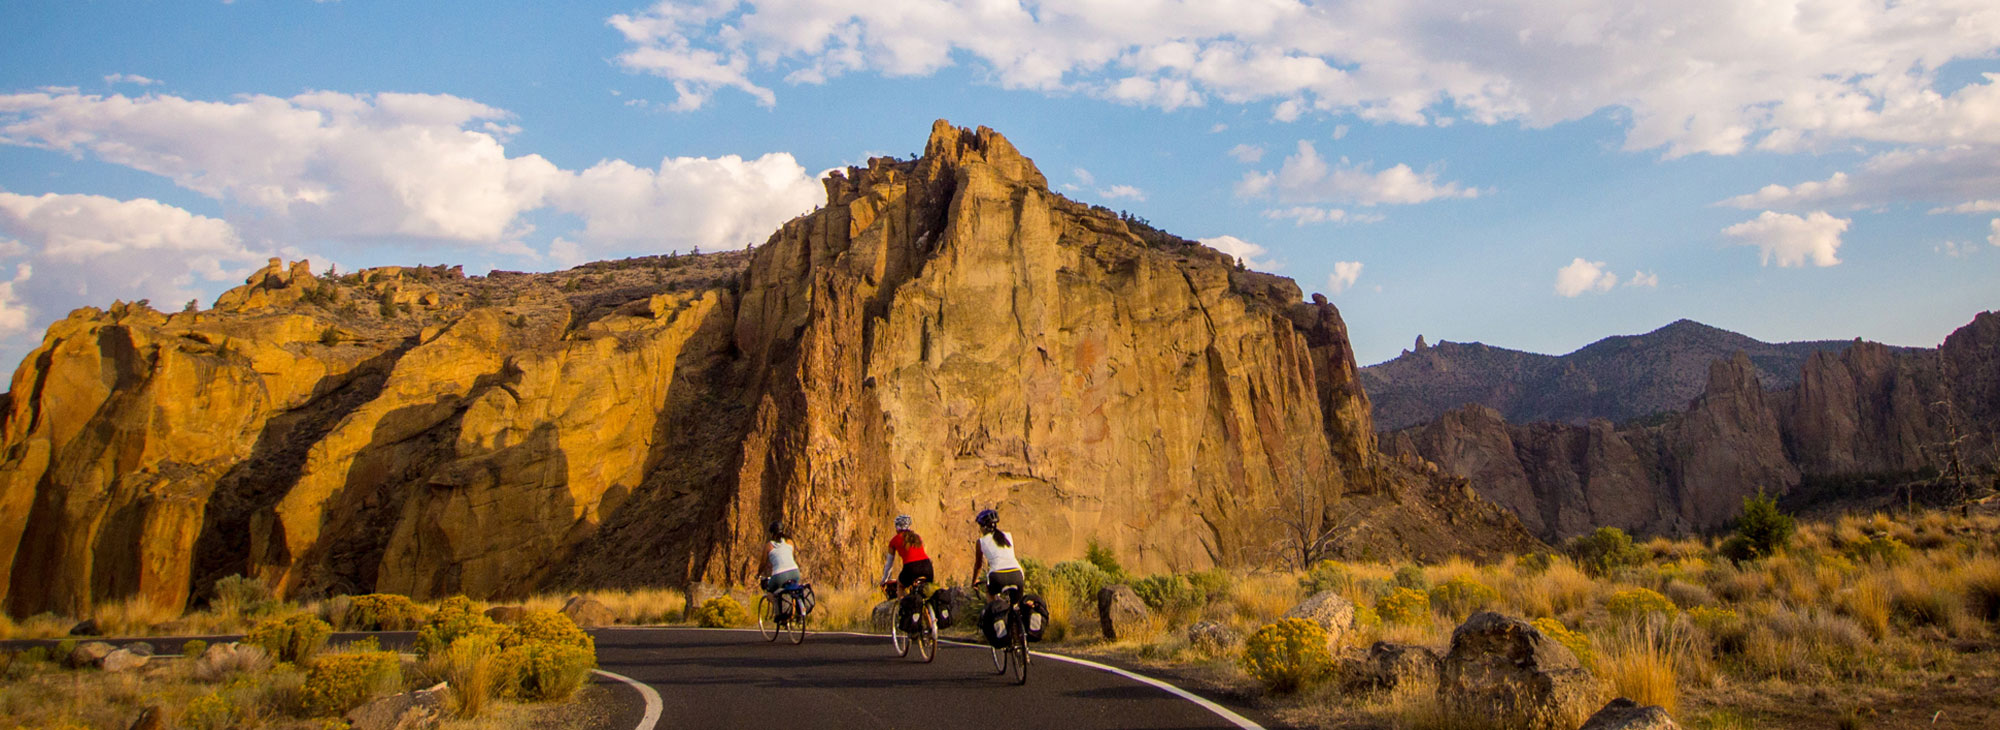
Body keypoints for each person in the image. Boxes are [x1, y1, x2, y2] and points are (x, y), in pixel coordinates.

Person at [968, 508, 1024, 598]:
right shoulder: (1008, 535)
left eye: (980, 526)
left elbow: (978, 565)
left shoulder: (981, 541)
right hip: (1017, 574)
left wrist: (974, 582)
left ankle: (993, 610)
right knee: (1016, 606)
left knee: (990, 595)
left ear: (984, 527)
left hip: (997, 575)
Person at [880, 514, 935, 599]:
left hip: (911, 568)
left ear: (897, 527)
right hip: (927, 566)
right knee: (927, 591)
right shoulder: (917, 537)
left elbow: (889, 564)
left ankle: (904, 607)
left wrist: (885, 579)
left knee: (900, 586)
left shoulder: (894, 540)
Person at [762, 521, 803, 594]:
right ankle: (798, 604)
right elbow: (791, 556)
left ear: (771, 533)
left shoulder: (768, 546)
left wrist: (758, 574)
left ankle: (775, 605)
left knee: (769, 592)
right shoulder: (790, 541)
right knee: (794, 591)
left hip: (779, 575)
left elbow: (763, 563)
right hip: (795, 572)